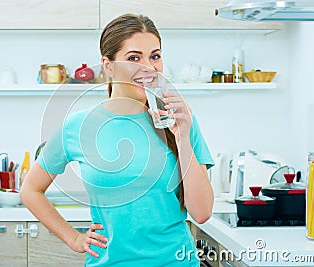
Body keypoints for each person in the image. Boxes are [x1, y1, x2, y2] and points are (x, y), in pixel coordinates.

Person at [21, 14, 214, 266]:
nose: (149, 67)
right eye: (134, 58)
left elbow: (201, 213)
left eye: (155, 56)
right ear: (109, 66)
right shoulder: (78, 126)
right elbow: (30, 190)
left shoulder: (181, 119)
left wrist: (183, 137)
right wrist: (74, 239)